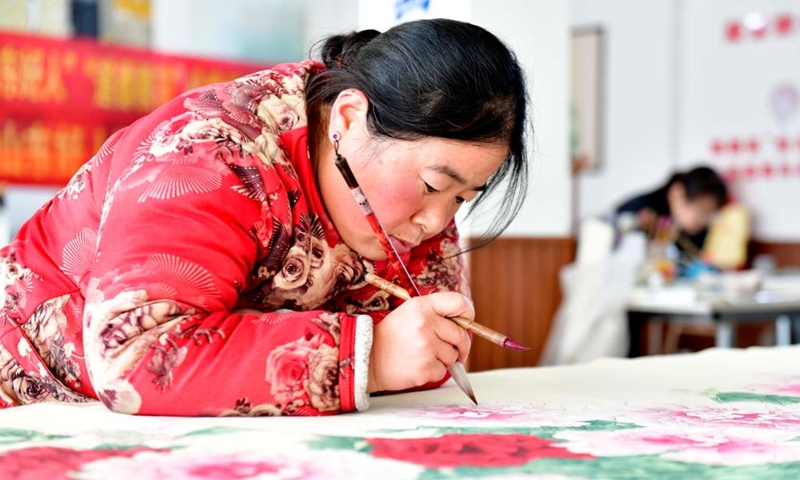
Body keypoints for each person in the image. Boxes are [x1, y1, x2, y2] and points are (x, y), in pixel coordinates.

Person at [0, 19, 529, 416]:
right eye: (435, 185)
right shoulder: (208, 154)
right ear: (350, 117)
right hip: (30, 403)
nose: (437, 221)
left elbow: (417, 367)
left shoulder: (408, 209)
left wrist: (418, 350)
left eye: (463, 197)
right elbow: (134, 357)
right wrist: (367, 358)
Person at [614, 166, 729, 255]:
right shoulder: (640, 210)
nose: (702, 220)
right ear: (676, 194)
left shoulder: (698, 230)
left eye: (709, 213)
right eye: (700, 210)